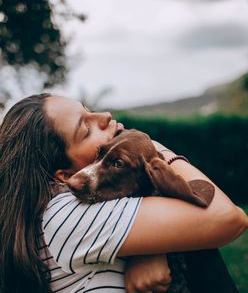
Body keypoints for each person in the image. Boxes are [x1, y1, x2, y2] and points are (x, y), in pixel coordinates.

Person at [0, 93, 247, 293]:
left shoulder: (92, 206)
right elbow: (228, 217)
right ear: (64, 177)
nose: (105, 115)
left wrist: (154, 248)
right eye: (86, 128)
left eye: (88, 109)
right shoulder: (63, 215)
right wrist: (153, 149)